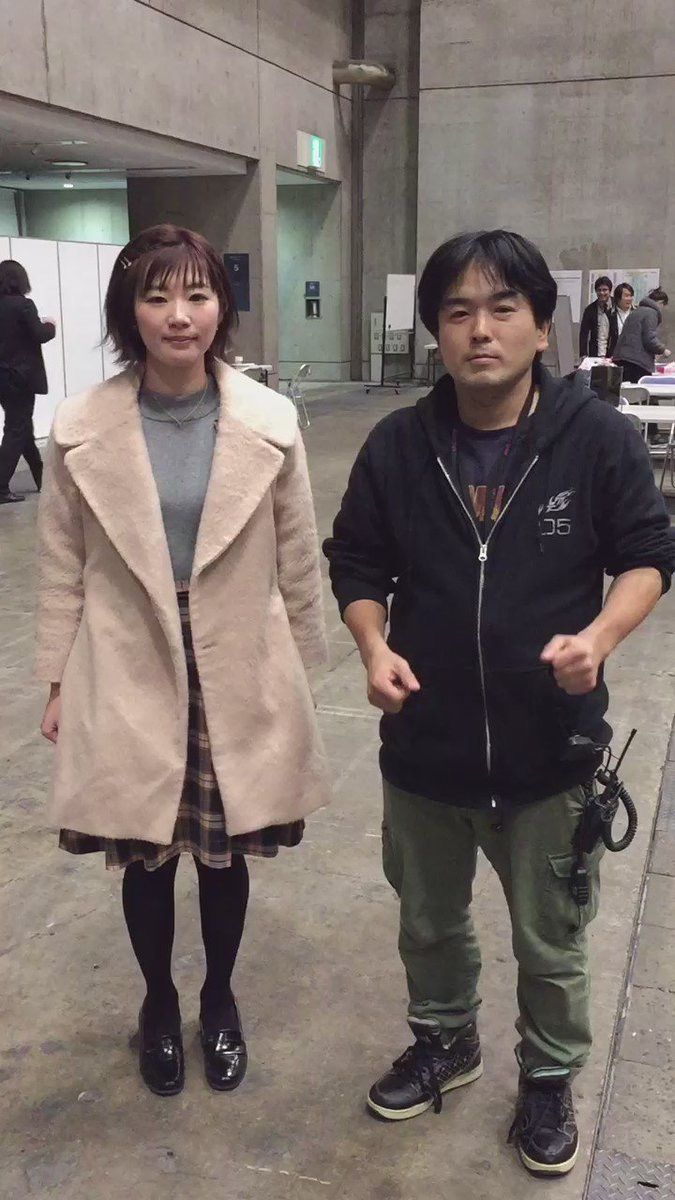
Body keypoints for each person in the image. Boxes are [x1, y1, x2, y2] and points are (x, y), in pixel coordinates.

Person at [323, 230, 674, 1177]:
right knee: (428, 922)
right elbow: (356, 562)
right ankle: (445, 1040)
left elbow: (649, 555)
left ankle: (548, 1075)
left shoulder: (593, 437)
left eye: (501, 309)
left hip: (548, 748)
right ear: (436, 331)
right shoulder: (399, 446)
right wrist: (372, 646)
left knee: (550, 938)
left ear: (540, 325)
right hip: (425, 746)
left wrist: (599, 638)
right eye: (457, 312)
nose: (480, 330)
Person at [36, 224, 330, 1098]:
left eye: (197, 295)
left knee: (222, 850)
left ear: (220, 309)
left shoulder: (268, 422)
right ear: (128, 312)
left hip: (237, 651)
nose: (178, 314)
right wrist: (56, 680)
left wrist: (303, 670)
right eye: (157, 296)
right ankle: (159, 1002)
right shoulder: (81, 427)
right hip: (128, 652)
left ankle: (219, 997)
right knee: (145, 852)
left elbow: (297, 553)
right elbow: (60, 561)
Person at [0, 259, 56, 504]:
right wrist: (50, 325)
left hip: (3, 378)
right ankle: (1, 487)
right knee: (16, 429)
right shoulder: (23, 305)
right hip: (20, 378)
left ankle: (41, 477)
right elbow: (40, 334)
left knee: (22, 427)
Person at [614, 287, 671, 443]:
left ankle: (637, 433)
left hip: (624, 358)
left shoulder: (637, 311)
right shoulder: (651, 313)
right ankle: (652, 434)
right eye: (663, 306)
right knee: (647, 397)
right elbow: (649, 339)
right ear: (660, 303)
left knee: (630, 398)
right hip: (636, 362)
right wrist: (663, 350)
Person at [578, 275, 613, 359]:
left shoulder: (617, 305)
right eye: (599, 290)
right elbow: (584, 333)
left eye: (605, 290)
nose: (602, 293)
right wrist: (583, 354)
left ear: (610, 291)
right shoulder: (590, 309)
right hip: (596, 351)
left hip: (613, 351)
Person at [608, 281, 635, 352]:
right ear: (618, 298)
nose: (629, 299)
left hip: (633, 353)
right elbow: (603, 338)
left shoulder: (637, 312)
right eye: (626, 296)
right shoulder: (610, 314)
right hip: (615, 353)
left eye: (631, 296)